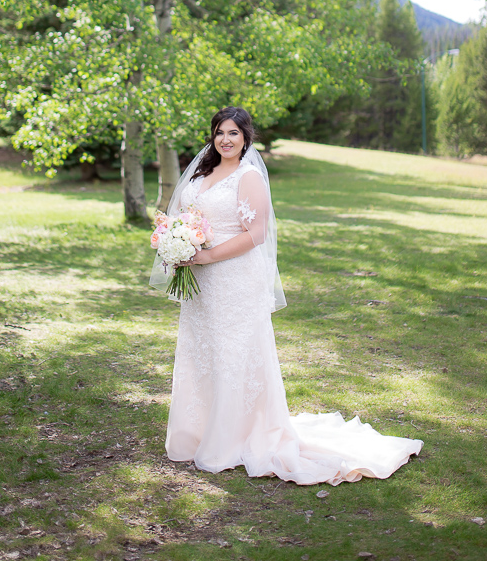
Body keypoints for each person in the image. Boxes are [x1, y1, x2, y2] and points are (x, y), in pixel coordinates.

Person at [149, 105, 423, 484]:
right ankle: (197, 433)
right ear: (212, 137)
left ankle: (231, 439)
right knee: (202, 351)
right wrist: (177, 244)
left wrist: (206, 254)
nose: (225, 140)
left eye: (233, 133)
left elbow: (254, 235)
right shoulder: (203, 172)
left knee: (234, 354)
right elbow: (184, 217)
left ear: (246, 138)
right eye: (219, 133)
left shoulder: (248, 178)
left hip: (233, 278)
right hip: (202, 283)